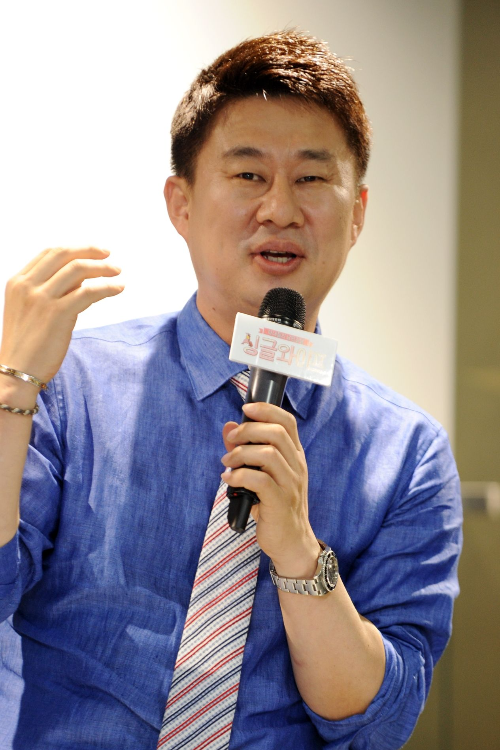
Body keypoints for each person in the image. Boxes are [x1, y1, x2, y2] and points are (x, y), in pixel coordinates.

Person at [0, 31, 462, 750]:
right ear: (181, 204)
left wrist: (300, 554)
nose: (280, 209)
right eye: (248, 174)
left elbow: (377, 722)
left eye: (312, 179)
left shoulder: (407, 454)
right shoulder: (72, 385)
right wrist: (13, 388)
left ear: (358, 213)